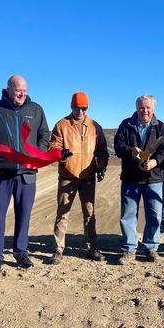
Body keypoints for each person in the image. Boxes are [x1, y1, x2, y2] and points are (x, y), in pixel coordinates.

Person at [0, 75, 51, 274]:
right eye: (18, 91)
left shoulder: (36, 110)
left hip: (27, 173)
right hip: (0, 173)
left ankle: (21, 253)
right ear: (8, 89)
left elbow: (44, 134)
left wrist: (37, 152)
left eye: (24, 91)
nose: (22, 94)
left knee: (24, 215)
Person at [47, 92, 109, 265]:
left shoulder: (95, 126)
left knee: (89, 213)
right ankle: (58, 250)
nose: (80, 111)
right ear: (71, 106)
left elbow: (103, 151)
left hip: (88, 177)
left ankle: (92, 247)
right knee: (62, 213)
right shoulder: (62, 125)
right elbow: (53, 145)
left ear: (87, 108)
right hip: (68, 176)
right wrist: (60, 154)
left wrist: (101, 166)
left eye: (83, 108)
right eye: (76, 108)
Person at [114, 95, 164, 264]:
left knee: (154, 215)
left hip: (153, 179)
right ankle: (129, 250)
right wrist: (130, 151)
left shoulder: (161, 128)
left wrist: (155, 162)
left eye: (147, 108)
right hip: (130, 178)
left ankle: (151, 248)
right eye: (141, 108)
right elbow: (118, 146)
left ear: (153, 108)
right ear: (136, 108)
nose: (144, 111)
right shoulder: (126, 125)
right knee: (128, 215)